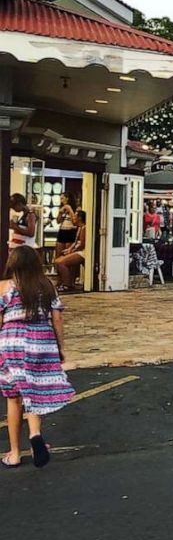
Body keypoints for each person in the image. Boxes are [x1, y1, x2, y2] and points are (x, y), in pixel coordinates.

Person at [0, 246, 75, 468]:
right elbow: (57, 318)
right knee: (34, 390)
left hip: (12, 341)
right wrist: (60, 347)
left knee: (14, 398)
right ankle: (35, 435)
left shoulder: (4, 287)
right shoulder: (46, 286)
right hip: (40, 339)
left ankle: (14, 453)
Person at [54, 210, 86, 292]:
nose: (73, 218)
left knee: (61, 263)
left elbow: (82, 245)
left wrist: (72, 251)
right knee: (58, 260)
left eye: (75, 216)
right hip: (77, 249)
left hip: (83, 252)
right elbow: (75, 242)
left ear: (79, 218)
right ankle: (67, 282)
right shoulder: (79, 228)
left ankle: (67, 284)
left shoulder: (84, 228)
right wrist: (69, 249)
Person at [55, 192, 78, 257]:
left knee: (68, 254)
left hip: (71, 231)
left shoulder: (76, 209)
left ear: (67, 198)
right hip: (62, 230)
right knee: (58, 254)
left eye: (62, 198)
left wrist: (70, 210)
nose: (61, 200)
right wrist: (60, 213)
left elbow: (75, 222)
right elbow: (58, 221)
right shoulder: (62, 208)